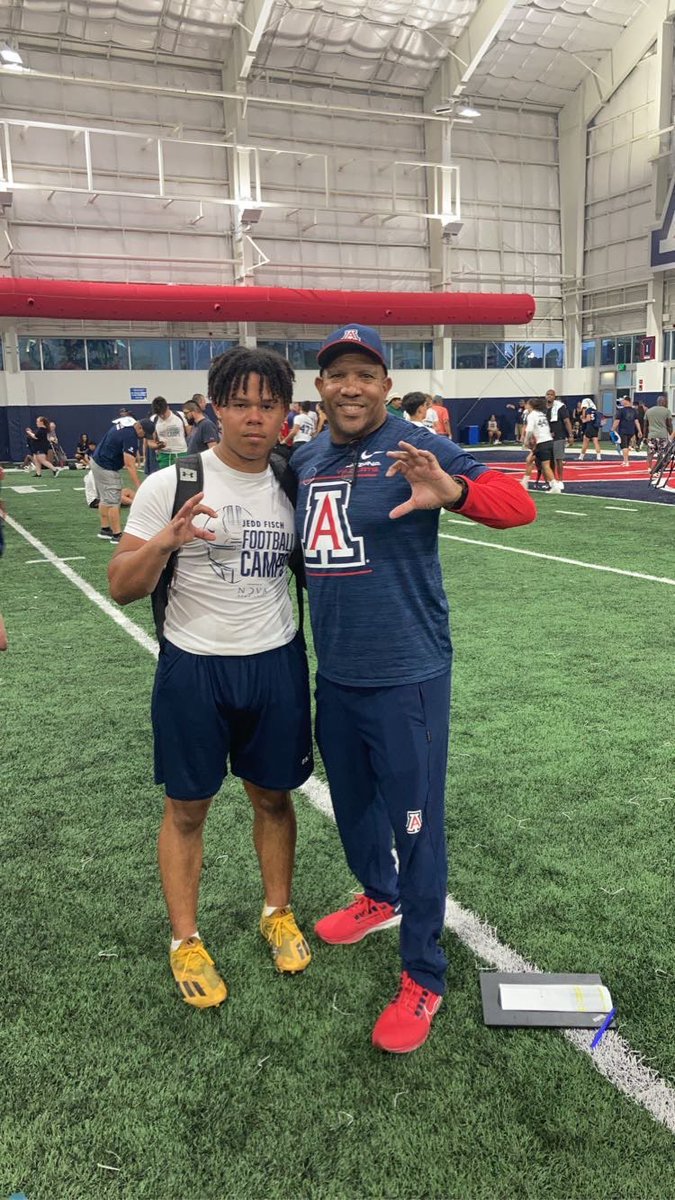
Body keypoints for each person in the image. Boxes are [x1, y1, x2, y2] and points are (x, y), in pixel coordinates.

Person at [291, 323, 536, 1054]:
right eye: (338, 374)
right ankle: (378, 895)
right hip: (334, 671)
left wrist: (452, 490)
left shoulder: (413, 445)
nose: (351, 387)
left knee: (416, 824)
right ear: (320, 387)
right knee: (352, 801)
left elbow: (517, 505)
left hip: (407, 674)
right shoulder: (303, 457)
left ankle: (423, 972)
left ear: (385, 386)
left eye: (365, 374)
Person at [108, 346, 314, 1008]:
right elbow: (120, 586)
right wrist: (166, 541)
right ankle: (185, 939)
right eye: (240, 403)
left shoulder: (293, 483)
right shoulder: (174, 481)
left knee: (274, 797)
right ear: (215, 406)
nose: (254, 417)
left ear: (285, 411)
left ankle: (277, 912)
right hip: (193, 667)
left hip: (275, 661)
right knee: (187, 807)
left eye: (268, 404)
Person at [91, 416, 150, 543]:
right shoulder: (130, 435)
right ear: (139, 428)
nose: (143, 437)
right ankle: (117, 535)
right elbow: (129, 464)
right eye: (144, 434)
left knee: (105, 498)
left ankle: (105, 529)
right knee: (113, 501)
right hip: (106, 467)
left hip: (97, 461)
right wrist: (139, 486)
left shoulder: (126, 425)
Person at [519, 398, 562, 493]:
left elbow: (529, 430)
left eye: (527, 404)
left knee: (545, 465)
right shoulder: (541, 414)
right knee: (529, 459)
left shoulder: (532, 415)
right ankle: (525, 482)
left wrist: (526, 441)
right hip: (548, 441)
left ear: (531, 406)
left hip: (542, 442)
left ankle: (554, 485)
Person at [546, 389, 574, 487]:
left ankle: (561, 480)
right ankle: (552, 481)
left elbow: (566, 421)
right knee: (549, 460)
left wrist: (570, 435)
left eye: (551, 395)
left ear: (555, 396)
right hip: (547, 437)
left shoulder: (560, 407)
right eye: (548, 394)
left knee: (558, 459)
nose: (549, 396)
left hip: (559, 436)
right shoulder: (543, 408)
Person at [151, 396, 188, 467]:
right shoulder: (154, 419)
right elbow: (152, 440)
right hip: (164, 455)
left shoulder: (180, 416)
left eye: (163, 413)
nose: (162, 416)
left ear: (168, 407)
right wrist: (157, 446)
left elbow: (190, 434)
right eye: (159, 414)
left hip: (181, 453)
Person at [612, 396, 642, 467]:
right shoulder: (634, 410)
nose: (622, 402)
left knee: (624, 446)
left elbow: (617, 421)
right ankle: (625, 460)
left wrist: (612, 429)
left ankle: (626, 461)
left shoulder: (621, 411)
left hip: (623, 430)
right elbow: (636, 421)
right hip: (631, 430)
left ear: (626, 401)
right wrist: (639, 431)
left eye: (623, 400)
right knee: (626, 445)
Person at [645, 394, 673, 469]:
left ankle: (649, 468)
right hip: (662, 435)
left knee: (650, 453)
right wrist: (672, 435)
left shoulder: (649, 411)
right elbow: (669, 425)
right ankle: (658, 469)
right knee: (661, 453)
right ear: (664, 402)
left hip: (651, 435)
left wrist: (645, 437)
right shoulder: (667, 411)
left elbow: (645, 425)